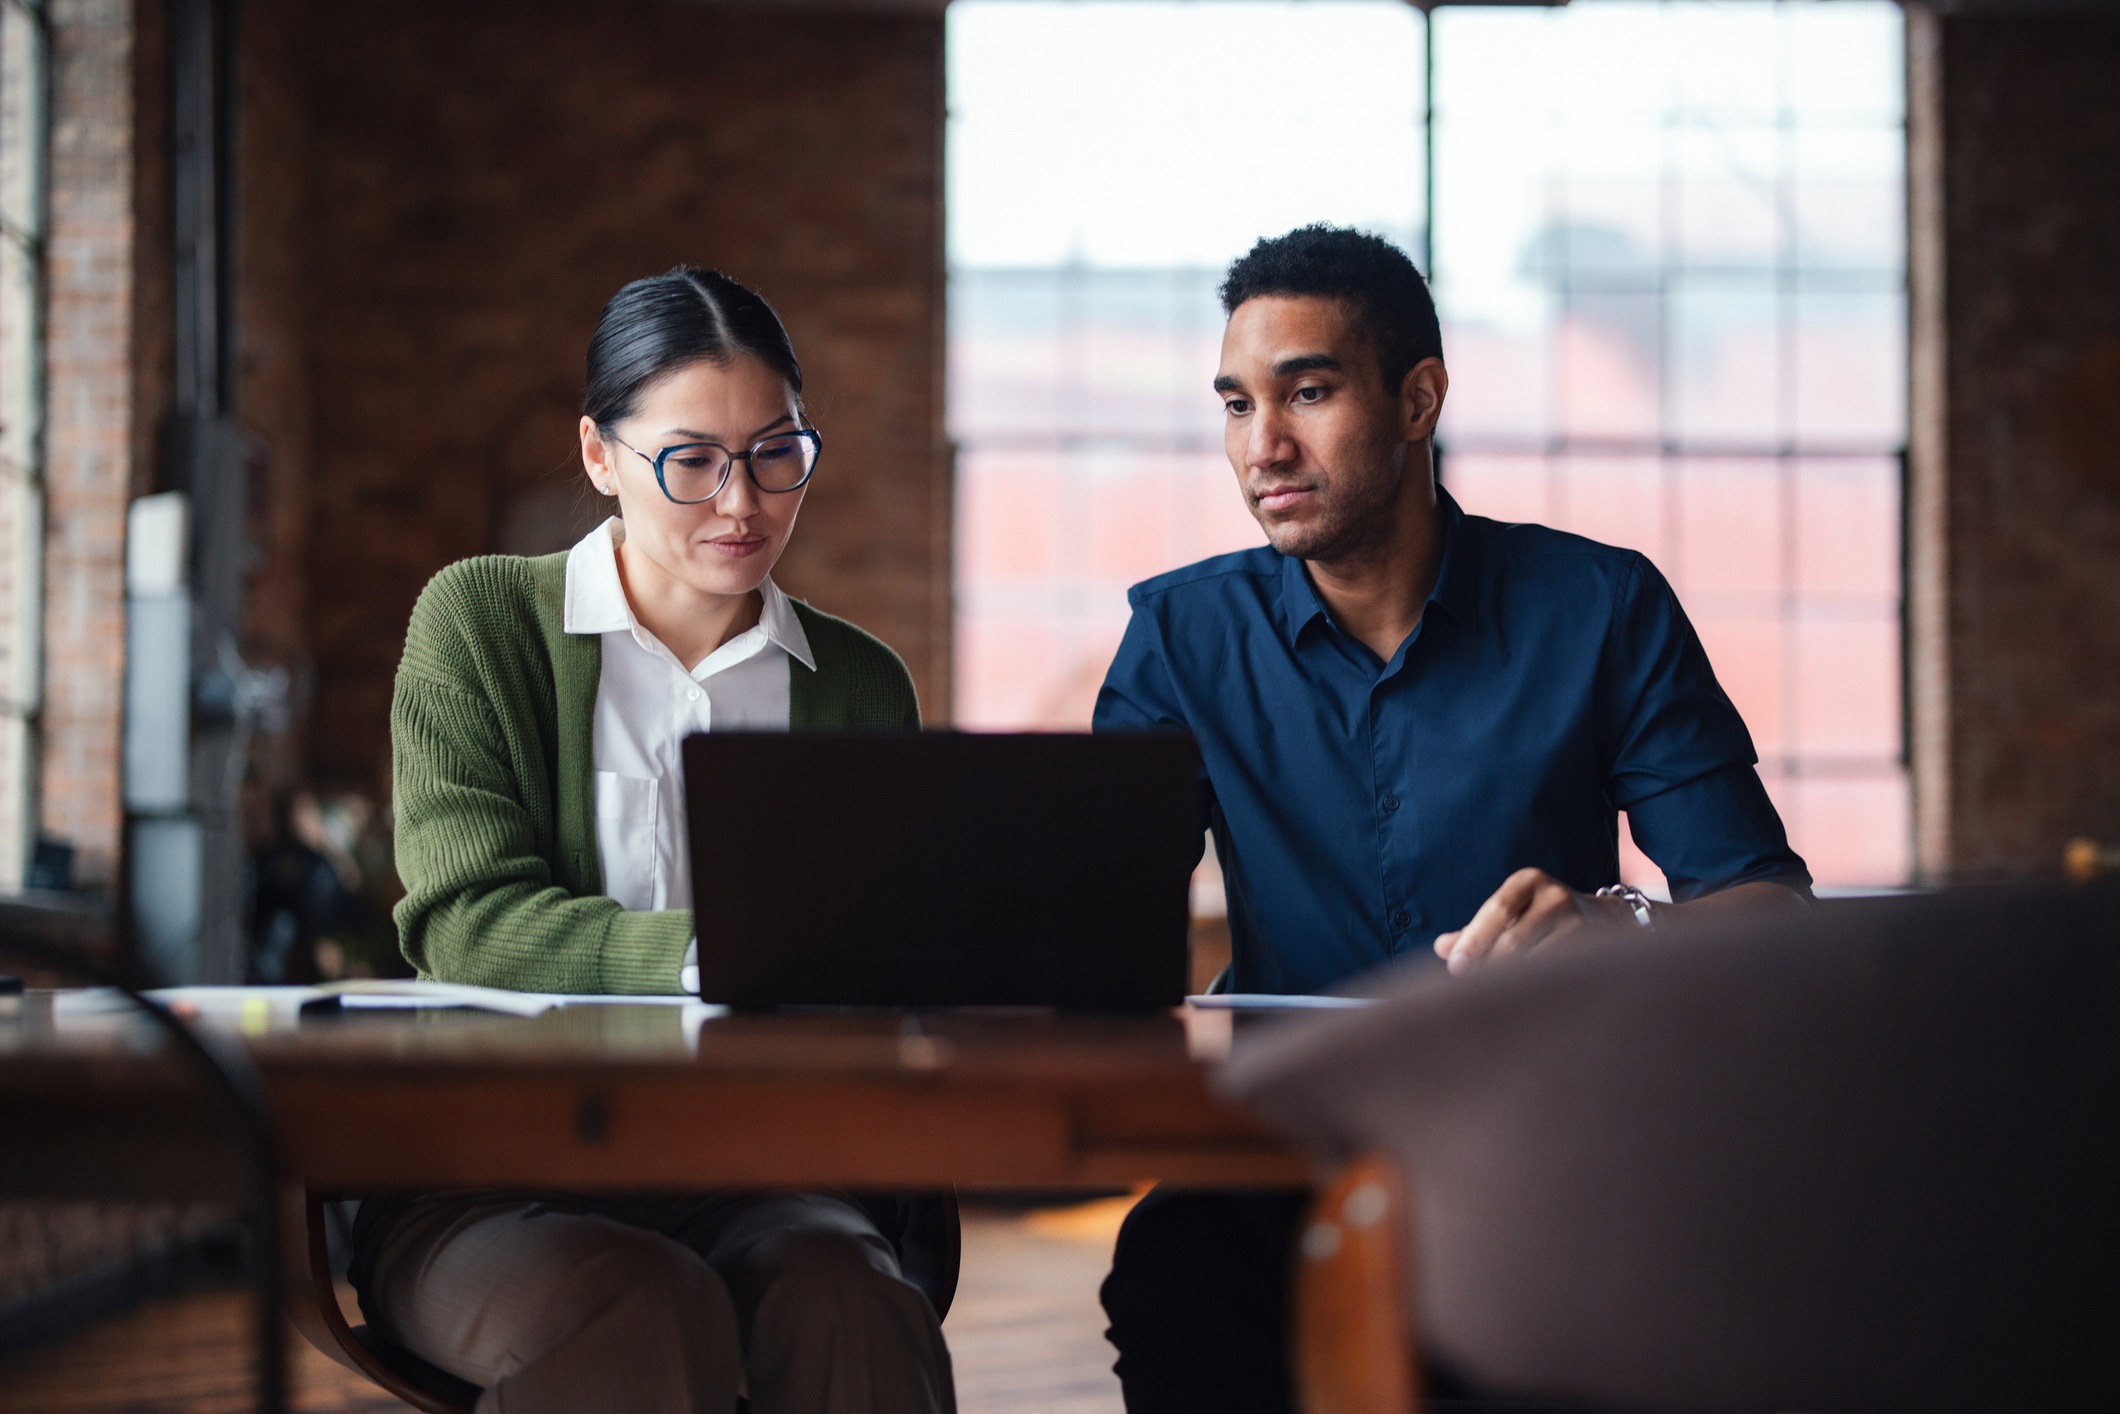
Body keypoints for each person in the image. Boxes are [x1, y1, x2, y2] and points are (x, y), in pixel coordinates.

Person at [1093, 225, 1813, 1413]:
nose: (1260, 445)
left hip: (1547, 1137)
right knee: (1173, 1274)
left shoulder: (1600, 608)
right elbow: (1092, 927)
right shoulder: (1180, 639)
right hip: (1287, 1140)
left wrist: (1613, 920)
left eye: (1307, 392)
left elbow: (1765, 908)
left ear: (1417, 397)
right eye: (1234, 404)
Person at [350, 266, 952, 1414]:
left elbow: (877, 956)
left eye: (778, 453)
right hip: (487, 1182)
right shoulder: (479, 623)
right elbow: (465, 925)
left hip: (760, 1172)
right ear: (598, 457)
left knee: (856, 1302)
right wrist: (724, 953)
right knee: (639, 1303)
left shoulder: (860, 682)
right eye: (691, 460)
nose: (742, 502)